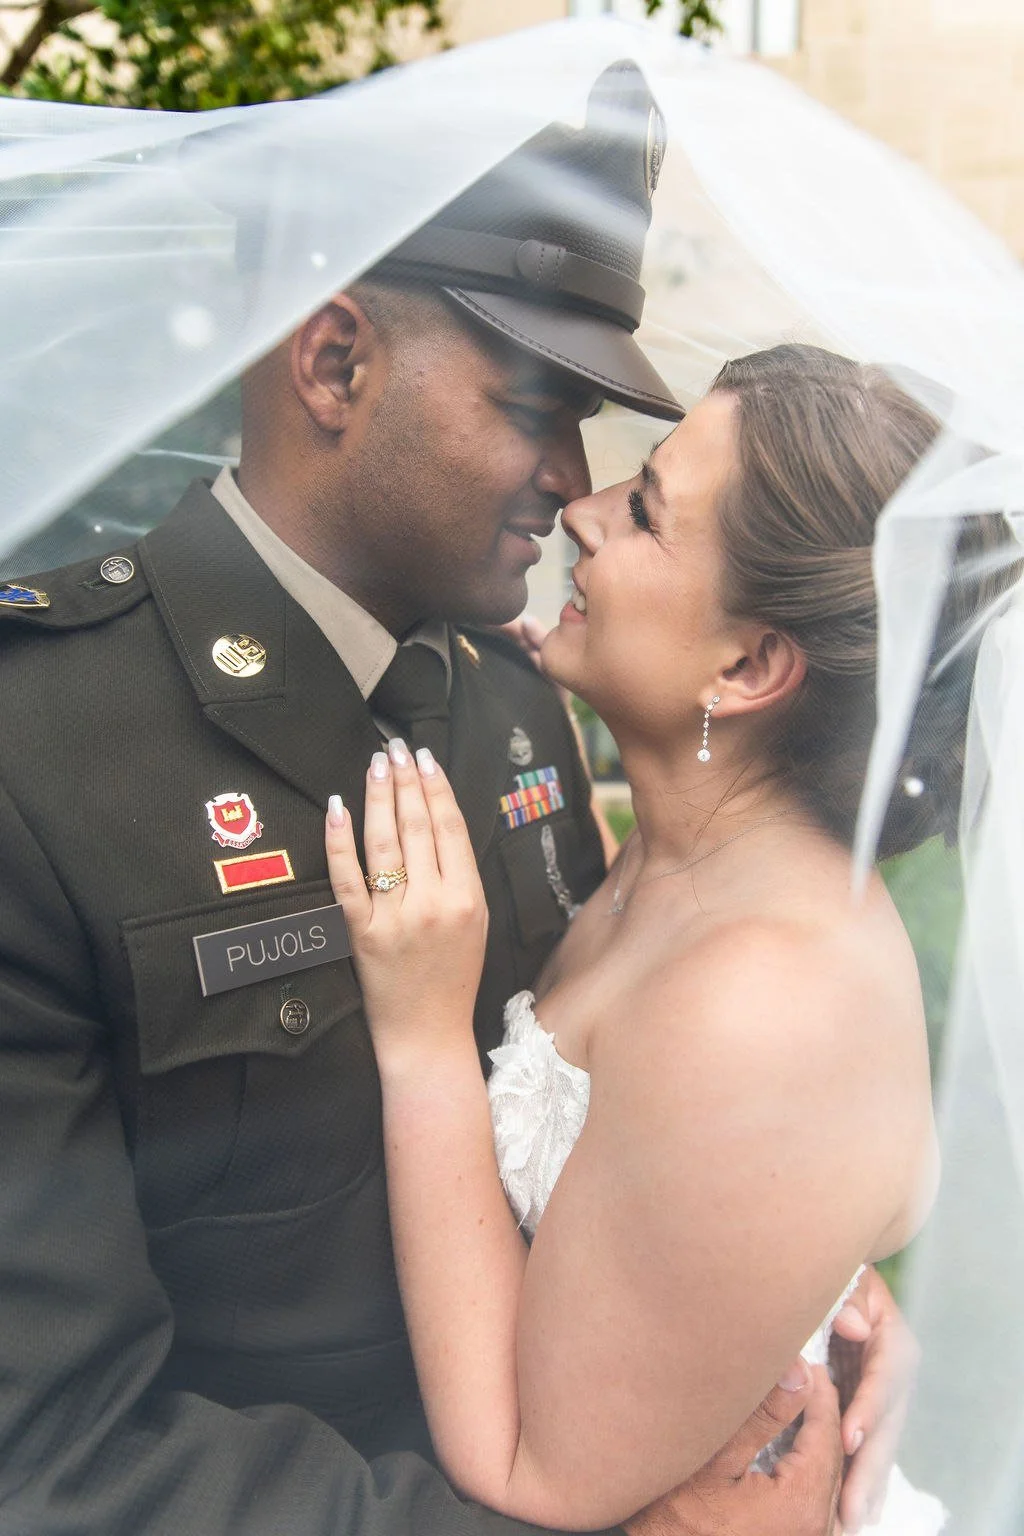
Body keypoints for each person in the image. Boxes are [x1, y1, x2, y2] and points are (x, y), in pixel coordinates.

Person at [0, 63, 901, 1536]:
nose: (571, 476)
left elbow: (625, 1115)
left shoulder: (514, 694)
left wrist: (775, 1283)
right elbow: (51, 1456)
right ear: (336, 362)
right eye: (537, 404)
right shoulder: (35, 755)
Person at [325, 345, 1020, 1534]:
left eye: (644, 512)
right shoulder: (665, 852)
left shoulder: (766, 1003)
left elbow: (531, 1470)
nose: (581, 516)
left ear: (747, 667)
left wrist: (426, 1040)